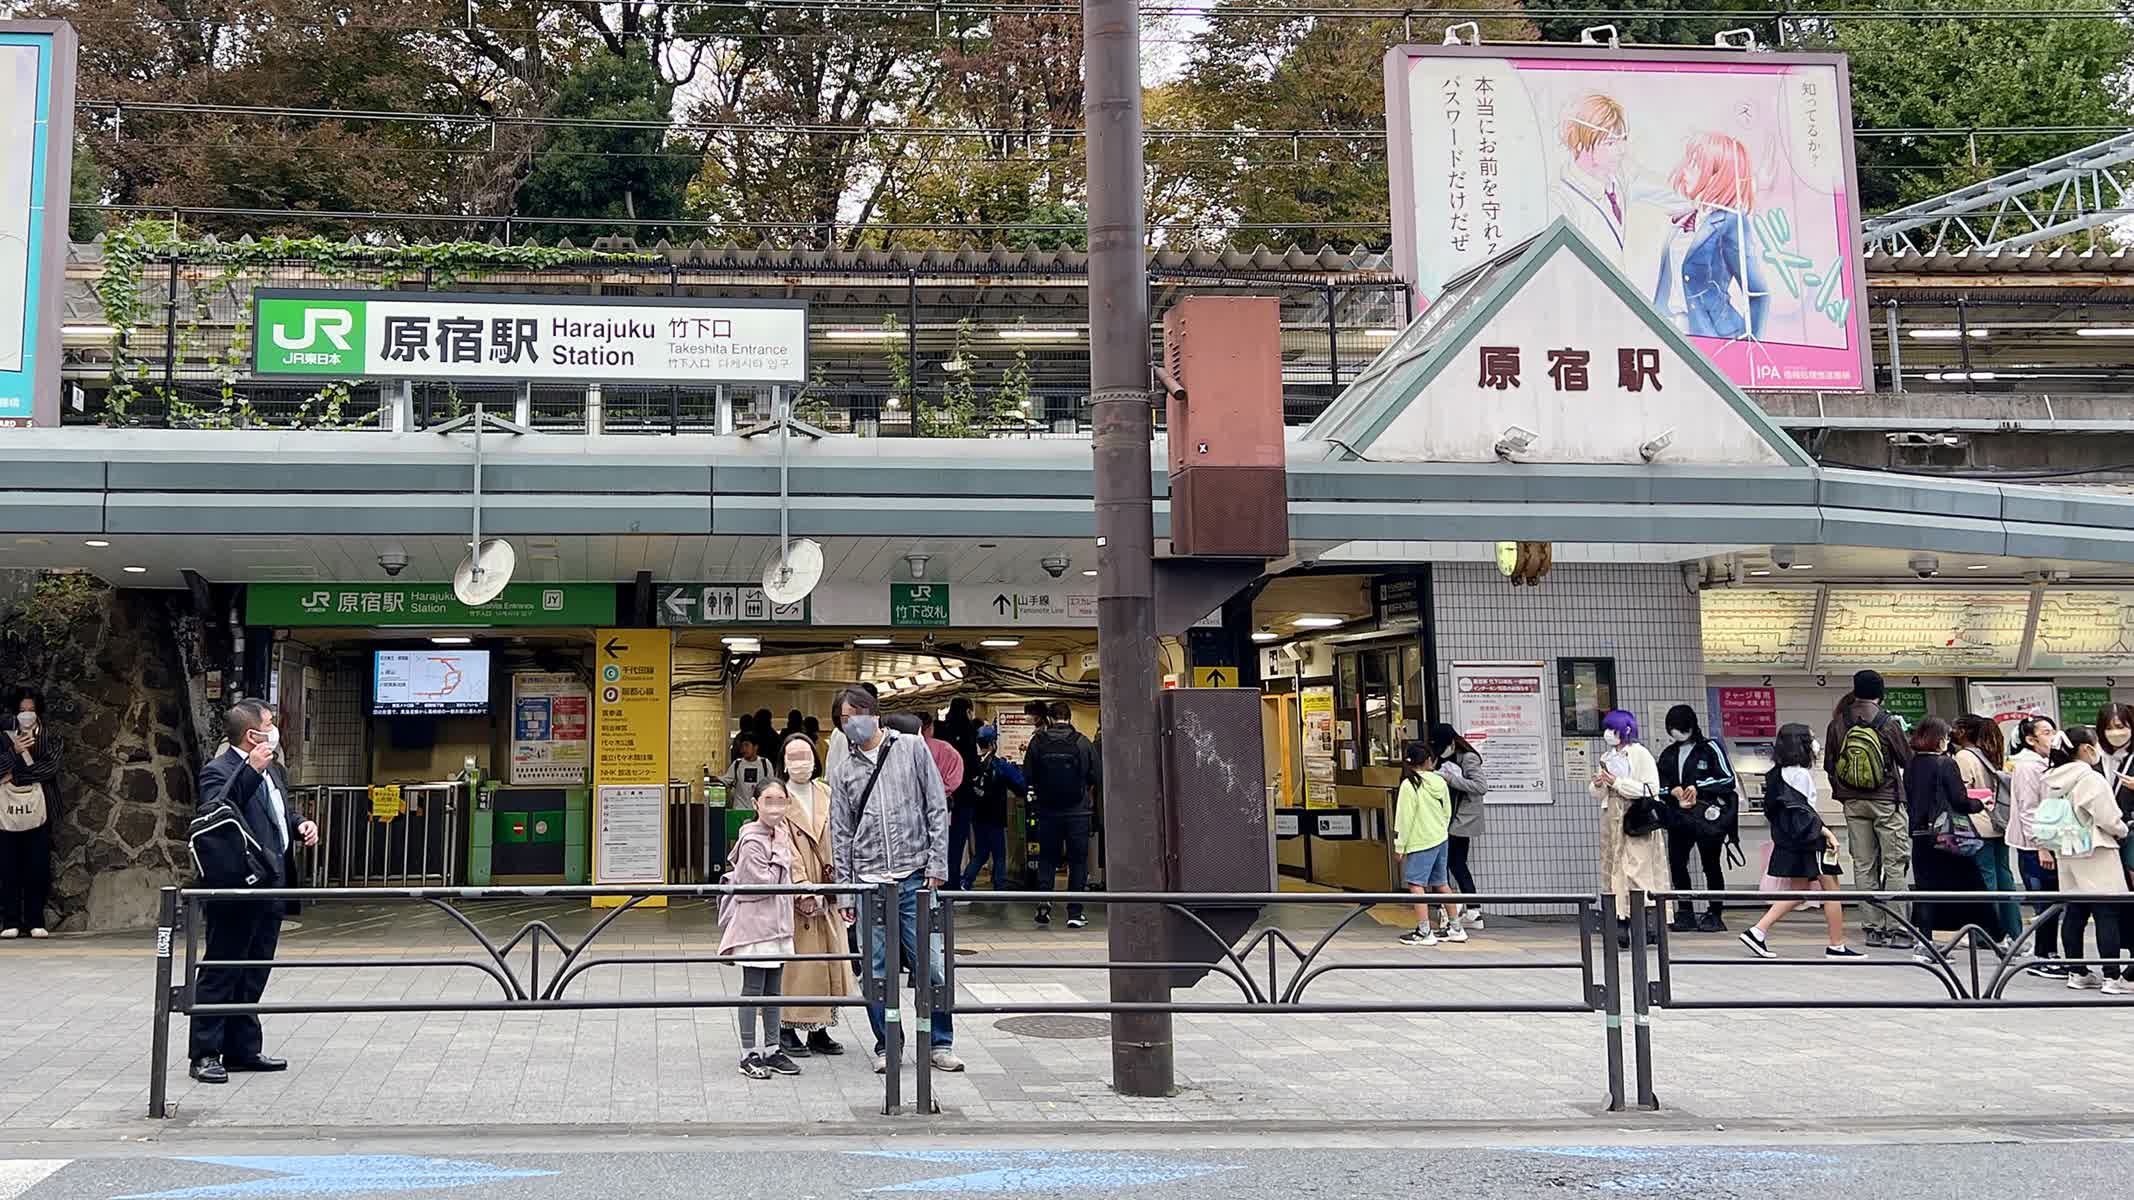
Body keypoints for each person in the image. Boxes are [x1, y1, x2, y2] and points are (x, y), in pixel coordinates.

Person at [827, 685, 962, 1075]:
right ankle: (888, 1045)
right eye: (843, 719)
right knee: (875, 971)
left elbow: (936, 806)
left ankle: (940, 1042)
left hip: (914, 877)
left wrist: (937, 867)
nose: (850, 723)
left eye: (855, 714)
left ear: (874, 711)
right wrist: (846, 895)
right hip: (869, 883)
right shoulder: (844, 770)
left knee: (931, 964)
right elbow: (841, 834)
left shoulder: (911, 748)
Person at [187, 700, 319, 1084]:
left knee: (255, 969)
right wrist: (249, 772)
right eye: (270, 724)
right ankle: (205, 1052)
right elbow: (216, 811)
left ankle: (242, 1048)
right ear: (252, 735)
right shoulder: (220, 770)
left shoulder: (273, 770)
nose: (275, 730)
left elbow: (277, 812)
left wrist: (299, 824)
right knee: (222, 968)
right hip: (237, 883)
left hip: (273, 881)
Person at [1740, 723, 1864, 959]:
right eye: (1811, 738)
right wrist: (1826, 833)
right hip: (1811, 841)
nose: (1815, 743)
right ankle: (1836, 945)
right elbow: (1804, 811)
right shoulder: (1801, 774)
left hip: (1790, 842)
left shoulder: (1775, 774)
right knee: (1833, 891)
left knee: (1798, 892)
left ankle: (1757, 931)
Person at [775, 732, 852, 1058]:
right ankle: (787, 1027)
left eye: (804, 755)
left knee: (827, 960)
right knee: (798, 967)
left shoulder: (827, 793)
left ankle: (820, 1029)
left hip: (829, 886)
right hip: (798, 893)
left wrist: (841, 884)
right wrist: (802, 887)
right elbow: (782, 847)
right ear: (783, 762)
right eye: (792, 757)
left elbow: (842, 834)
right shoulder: (778, 796)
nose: (800, 763)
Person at [1825, 671, 1914, 948]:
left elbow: (1830, 765)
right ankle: (1898, 929)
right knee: (1895, 864)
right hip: (1887, 800)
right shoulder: (1887, 723)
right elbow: (1906, 759)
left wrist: (1846, 794)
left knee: (1863, 865)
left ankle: (1872, 929)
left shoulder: (1839, 722)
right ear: (1880, 691)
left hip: (1853, 803)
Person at [720, 780, 801, 1078]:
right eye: (768, 800)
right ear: (755, 804)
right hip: (755, 926)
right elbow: (763, 883)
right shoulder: (752, 839)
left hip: (778, 925)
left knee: (774, 989)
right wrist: (780, 857)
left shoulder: (780, 834)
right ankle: (748, 1053)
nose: (775, 807)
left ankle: (772, 1048)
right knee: (753, 988)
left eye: (781, 800)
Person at [1654, 132, 1768, 340]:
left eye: (1695, 164)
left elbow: (1758, 293)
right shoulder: (1685, 219)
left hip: (1714, 334)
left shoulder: (1730, 221)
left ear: (1718, 175)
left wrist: (1749, 344)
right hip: (1672, 330)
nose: (1685, 171)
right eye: (1688, 161)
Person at [2044, 727, 2131, 993]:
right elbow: (2109, 818)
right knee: (2106, 912)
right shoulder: (2090, 779)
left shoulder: (2054, 779)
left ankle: (2077, 971)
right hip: (2096, 848)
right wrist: (2123, 830)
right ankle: (2112, 976)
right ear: (2085, 748)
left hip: (2068, 849)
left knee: (2075, 911)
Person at [1903, 717, 1992, 957]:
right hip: (1946, 836)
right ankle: (1996, 939)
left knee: (1926, 888)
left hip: (1921, 834)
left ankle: (1924, 942)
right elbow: (1959, 800)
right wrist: (1981, 803)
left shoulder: (1912, 764)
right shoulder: (1945, 764)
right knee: (1973, 885)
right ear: (1938, 739)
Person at [1656, 705, 1738, 934]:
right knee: (1677, 863)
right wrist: (1671, 791)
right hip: (1679, 817)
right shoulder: (1668, 754)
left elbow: (1727, 780)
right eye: (1672, 729)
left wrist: (1697, 787)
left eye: (1680, 728)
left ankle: (1715, 912)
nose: (1676, 733)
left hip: (1707, 818)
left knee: (1711, 864)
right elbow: (1657, 785)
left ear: (1691, 726)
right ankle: (1685, 911)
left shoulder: (1710, 748)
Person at [1593, 709, 1667, 947]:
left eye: (1612, 730)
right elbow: (1598, 793)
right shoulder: (1608, 756)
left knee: (1638, 869)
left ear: (1624, 730)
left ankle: (1647, 923)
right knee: (1612, 868)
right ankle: (1619, 922)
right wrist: (1598, 785)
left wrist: (1618, 783)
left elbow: (1651, 789)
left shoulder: (1639, 754)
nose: (1608, 734)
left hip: (1636, 817)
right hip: (1612, 817)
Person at [1023, 700, 1099, 929]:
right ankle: (1075, 912)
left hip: (1047, 812)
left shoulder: (1038, 742)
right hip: (1078, 813)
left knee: (1047, 858)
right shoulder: (1083, 742)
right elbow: (1096, 776)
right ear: (1069, 717)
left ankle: (1044, 905)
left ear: (1050, 718)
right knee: (1078, 862)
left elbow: (1027, 776)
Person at [1951, 714, 2022, 946]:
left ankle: (1989, 933)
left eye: (1955, 728)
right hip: (1999, 822)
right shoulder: (1990, 754)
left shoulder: (1963, 756)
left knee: (1985, 879)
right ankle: (2014, 931)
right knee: (2004, 878)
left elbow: (1962, 793)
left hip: (1977, 824)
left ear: (1964, 731)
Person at [2009, 715, 2068, 977]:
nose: (2053, 735)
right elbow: (2029, 809)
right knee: (2046, 903)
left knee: (2053, 901)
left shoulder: (2046, 762)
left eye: (2053, 729)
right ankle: (2043, 956)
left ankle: (2048, 953)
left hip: (2048, 843)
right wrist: (2041, 845)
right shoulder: (2027, 767)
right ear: (2031, 740)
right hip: (2036, 846)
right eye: (2046, 732)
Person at [1, 689, 61, 939]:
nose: (27, 715)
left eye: (31, 710)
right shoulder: (5, 737)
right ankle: (10, 921)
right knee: (7, 867)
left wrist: (14, 775)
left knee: (37, 866)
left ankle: (35, 919)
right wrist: (13, 752)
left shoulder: (50, 737)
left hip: (40, 809)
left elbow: (50, 767)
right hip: (6, 812)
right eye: (22, 710)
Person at [1394, 742, 1464, 946]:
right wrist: (1440, 830)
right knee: (1441, 883)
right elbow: (1447, 811)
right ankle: (1455, 927)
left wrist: (1400, 846)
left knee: (1416, 884)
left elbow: (1404, 818)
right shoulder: (1439, 781)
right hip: (1440, 837)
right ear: (1428, 761)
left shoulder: (1410, 784)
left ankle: (1424, 931)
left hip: (1420, 840)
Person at [1551, 93, 1631, 266]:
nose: (1621, 150)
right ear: (1580, 143)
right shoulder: (1560, 201)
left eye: (1622, 140)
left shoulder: (1616, 183)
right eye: (1610, 143)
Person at [1430, 723, 1489, 930]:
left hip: (1462, 820)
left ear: (1452, 742)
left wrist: (1450, 779)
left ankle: (1455, 910)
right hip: (1454, 818)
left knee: (1448, 864)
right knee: (1456, 864)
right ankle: (1473, 911)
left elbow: (1481, 787)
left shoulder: (1469, 758)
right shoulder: (1449, 758)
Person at [962, 725, 1025, 890]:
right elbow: (1020, 785)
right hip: (995, 816)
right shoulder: (999, 765)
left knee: (982, 852)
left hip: (977, 816)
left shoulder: (972, 763)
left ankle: (966, 882)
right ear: (992, 743)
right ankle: (999, 887)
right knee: (999, 854)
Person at [920, 712, 970, 886]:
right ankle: (946, 887)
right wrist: (941, 791)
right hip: (942, 806)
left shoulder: (904, 749)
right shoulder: (946, 749)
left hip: (912, 809)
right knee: (946, 848)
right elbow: (956, 777)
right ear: (930, 727)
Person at [725, 731, 772, 812]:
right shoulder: (737, 764)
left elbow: (771, 785)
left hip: (759, 810)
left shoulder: (765, 764)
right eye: (742, 746)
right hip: (739, 809)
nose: (743, 749)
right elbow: (726, 780)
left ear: (755, 747)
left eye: (746, 745)